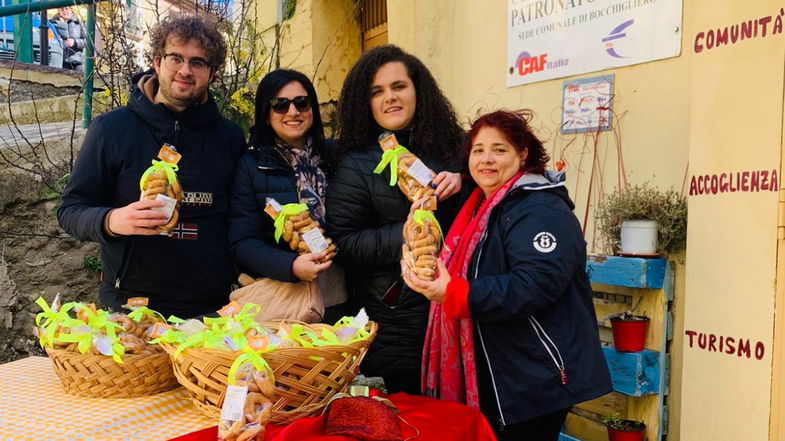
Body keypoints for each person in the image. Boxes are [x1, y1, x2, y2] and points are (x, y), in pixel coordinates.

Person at [401, 110, 612, 441]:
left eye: (499, 150)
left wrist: (454, 292)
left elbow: (534, 285)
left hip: (535, 375)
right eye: (478, 150)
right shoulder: (479, 208)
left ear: (523, 154)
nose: (487, 159)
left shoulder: (538, 208)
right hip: (506, 370)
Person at [57, 15, 246, 319]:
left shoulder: (230, 138)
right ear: (157, 62)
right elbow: (70, 210)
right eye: (176, 58)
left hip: (212, 310)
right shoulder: (111, 129)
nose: (186, 70)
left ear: (211, 73)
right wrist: (112, 220)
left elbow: (241, 218)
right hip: (131, 307)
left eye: (198, 62)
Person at [326, 45, 467, 395]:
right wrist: (412, 233)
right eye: (377, 91)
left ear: (419, 90)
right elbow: (344, 243)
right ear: (366, 102)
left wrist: (464, 182)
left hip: (461, 305)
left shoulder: (456, 148)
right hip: (397, 316)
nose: (390, 98)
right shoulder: (356, 163)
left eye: (399, 86)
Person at [228, 69, 350, 323]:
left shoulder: (336, 156)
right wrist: (291, 266)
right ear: (266, 113)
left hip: (341, 295)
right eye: (280, 105)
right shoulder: (251, 166)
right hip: (286, 301)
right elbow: (243, 242)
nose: (293, 112)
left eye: (301, 103)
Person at [49, 6, 86, 72]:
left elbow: (87, 42)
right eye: (62, 9)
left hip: (76, 62)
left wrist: (75, 42)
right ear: (58, 11)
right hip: (60, 61)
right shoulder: (52, 23)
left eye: (67, 9)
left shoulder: (78, 23)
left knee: (81, 79)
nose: (65, 11)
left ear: (71, 9)